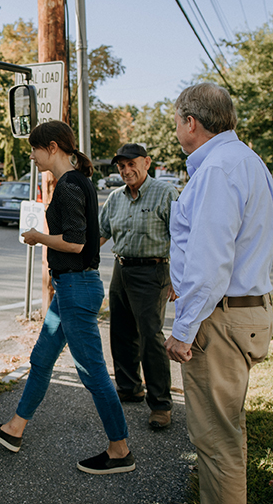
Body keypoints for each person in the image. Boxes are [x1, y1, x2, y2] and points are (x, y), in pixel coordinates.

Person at [0, 120, 134, 475]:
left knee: (91, 372)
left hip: (77, 287)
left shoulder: (68, 186)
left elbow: (75, 243)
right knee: (42, 356)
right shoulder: (78, 181)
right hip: (71, 287)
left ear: (52, 147)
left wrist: (38, 236)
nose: (31, 156)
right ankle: (14, 428)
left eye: (34, 149)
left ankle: (120, 448)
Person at [164, 83, 273, 503]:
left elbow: (211, 263)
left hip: (220, 318)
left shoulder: (216, 169)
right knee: (227, 432)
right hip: (242, 311)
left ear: (191, 122)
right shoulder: (248, 162)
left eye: (177, 121)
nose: (176, 130)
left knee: (215, 442)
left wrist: (183, 329)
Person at [98, 143, 179, 430]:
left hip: (153, 271)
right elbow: (101, 233)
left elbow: (182, 239)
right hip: (121, 269)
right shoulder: (115, 198)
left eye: (131, 164)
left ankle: (160, 404)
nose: (126, 170)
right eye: (121, 166)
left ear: (146, 162)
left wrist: (176, 279)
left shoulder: (165, 193)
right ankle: (130, 388)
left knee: (150, 337)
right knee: (120, 332)